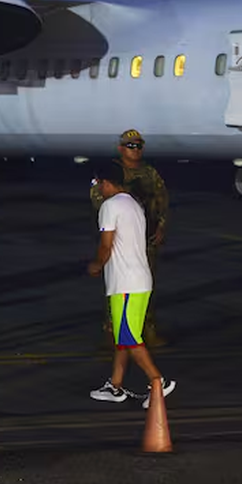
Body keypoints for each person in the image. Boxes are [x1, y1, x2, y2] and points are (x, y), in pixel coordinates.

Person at [87, 161, 176, 408]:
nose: (98, 188)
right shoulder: (133, 204)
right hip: (139, 280)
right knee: (124, 337)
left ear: (106, 182)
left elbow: (106, 244)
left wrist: (97, 264)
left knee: (129, 337)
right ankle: (114, 386)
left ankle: (158, 381)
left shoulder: (109, 206)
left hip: (125, 283)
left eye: (98, 183)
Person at [89, 129, 170, 345]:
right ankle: (113, 330)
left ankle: (146, 329)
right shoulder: (112, 172)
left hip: (146, 238)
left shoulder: (150, 173)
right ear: (121, 148)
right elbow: (97, 197)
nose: (135, 150)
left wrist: (161, 225)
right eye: (130, 146)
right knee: (118, 287)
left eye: (139, 146)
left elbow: (162, 199)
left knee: (144, 287)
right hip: (119, 237)